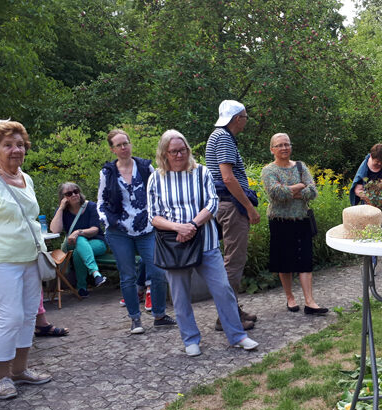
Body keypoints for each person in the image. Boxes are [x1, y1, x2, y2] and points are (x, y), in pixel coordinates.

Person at [147, 130, 259, 356]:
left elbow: (212, 203)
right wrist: (179, 227)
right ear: (164, 153)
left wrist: (192, 225)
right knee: (180, 296)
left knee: (223, 289)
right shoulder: (155, 178)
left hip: (205, 241)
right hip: (174, 246)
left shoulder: (202, 172)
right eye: (174, 151)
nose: (179, 155)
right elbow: (153, 215)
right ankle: (190, 339)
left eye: (183, 150)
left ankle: (237, 336)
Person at [97, 129, 176, 334]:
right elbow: (101, 203)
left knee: (158, 270)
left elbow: (159, 192)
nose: (124, 147)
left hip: (147, 228)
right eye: (119, 145)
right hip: (119, 231)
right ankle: (135, 319)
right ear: (113, 149)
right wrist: (110, 222)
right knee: (128, 275)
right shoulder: (108, 172)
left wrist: (162, 216)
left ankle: (159, 315)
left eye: (126, 143)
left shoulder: (144, 166)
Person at [0, 120, 52, 400]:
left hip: (32, 256)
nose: (15, 150)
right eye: (8, 145)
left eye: (19, 144)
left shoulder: (26, 178)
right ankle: (1, 376)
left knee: (30, 314)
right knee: (10, 317)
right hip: (3, 260)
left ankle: (20, 370)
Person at [204, 100, 260, 331]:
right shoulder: (224, 138)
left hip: (223, 204)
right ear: (237, 118)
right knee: (234, 262)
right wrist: (249, 207)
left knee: (230, 261)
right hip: (232, 205)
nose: (246, 121)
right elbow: (227, 177)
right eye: (245, 117)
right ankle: (226, 317)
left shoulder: (216, 136)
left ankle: (231, 308)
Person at [260, 133, 328, 315]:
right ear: (272, 149)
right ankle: (290, 297)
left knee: (305, 259)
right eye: (279, 145)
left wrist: (290, 191)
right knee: (284, 261)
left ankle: (310, 301)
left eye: (286, 144)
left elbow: (313, 191)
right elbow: (276, 194)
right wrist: (299, 187)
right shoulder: (269, 171)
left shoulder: (300, 166)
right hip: (279, 221)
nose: (284, 148)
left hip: (302, 219)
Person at [49, 182, 107, 297]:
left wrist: (77, 232)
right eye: (69, 193)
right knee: (79, 244)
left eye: (76, 191)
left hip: (97, 243)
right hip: (74, 244)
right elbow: (55, 230)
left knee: (78, 250)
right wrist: (61, 208)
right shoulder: (63, 211)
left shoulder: (90, 206)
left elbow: (95, 229)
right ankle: (95, 274)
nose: (74, 195)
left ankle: (82, 287)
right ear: (63, 198)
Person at [349, 143, 382, 269]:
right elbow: (358, 189)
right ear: (371, 157)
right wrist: (369, 199)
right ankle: (372, 262)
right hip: (368, 205)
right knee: (371, 232)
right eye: (377, 162)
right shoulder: (364, 168)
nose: (379, 164)